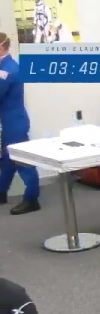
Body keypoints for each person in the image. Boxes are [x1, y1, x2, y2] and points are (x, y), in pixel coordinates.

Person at [0, 34, 41, 216]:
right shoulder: (4, 66)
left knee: (22, 161)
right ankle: (1, 192)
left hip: (14, 122)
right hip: (9, 121)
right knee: (7, 160)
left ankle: (32, 199)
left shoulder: (8, 69)